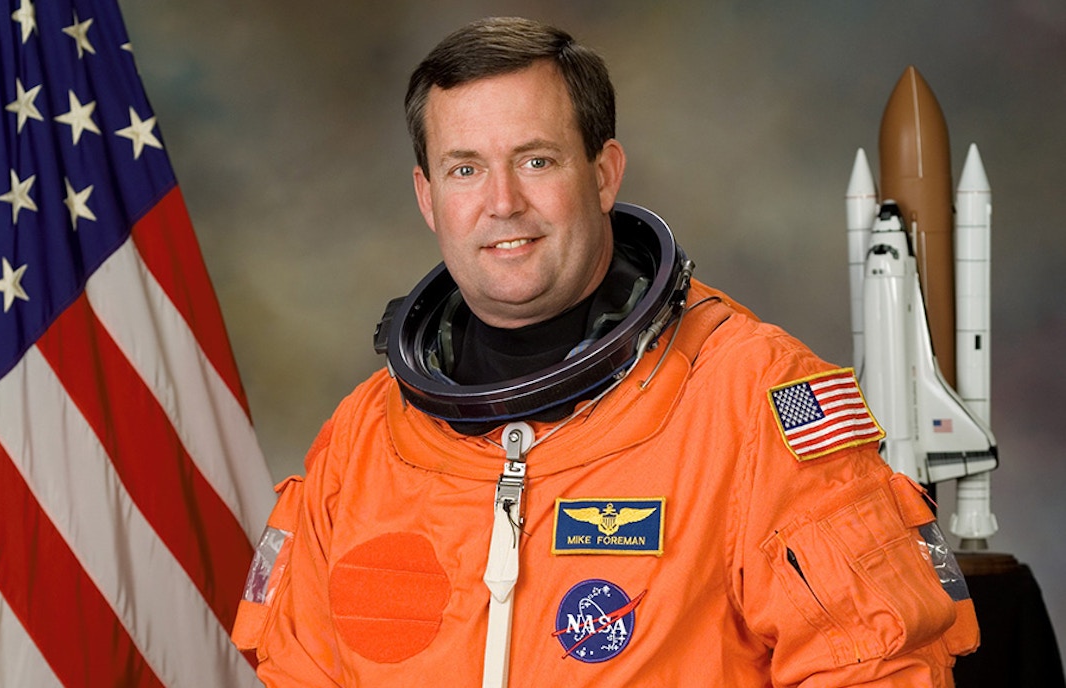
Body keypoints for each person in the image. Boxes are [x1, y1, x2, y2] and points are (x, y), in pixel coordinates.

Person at [232, 16, 979, 687]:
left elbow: (875, 669)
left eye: (536, 160)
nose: (501, 204)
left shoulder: (753, 401)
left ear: (603, 173)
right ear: (428, 197)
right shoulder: (362, 446)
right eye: (465, 168)